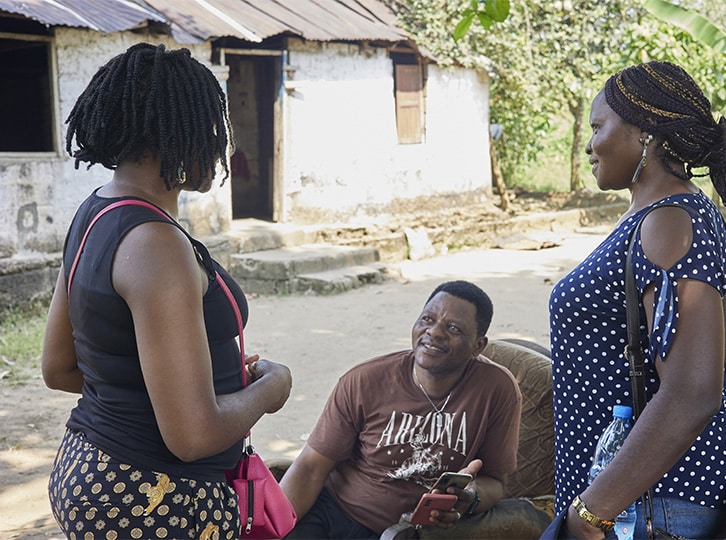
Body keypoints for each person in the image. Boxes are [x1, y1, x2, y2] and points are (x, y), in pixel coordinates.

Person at [41, 43, 292, 538]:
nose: (221, 144)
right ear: (176, 133)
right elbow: (192, 435)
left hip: (92, 465)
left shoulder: (97, 212)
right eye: (212, 127)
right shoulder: (157, 245)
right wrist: (269, 389)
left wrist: (183, 382)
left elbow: (60, 367)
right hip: (154, 497)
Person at [548, 61, 726, 539]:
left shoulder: (670, 222)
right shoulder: (658, 216)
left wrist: (591, 513)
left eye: (598, 126)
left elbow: (691, 391)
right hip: (633, 503)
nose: (588, 144)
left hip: (648, 509)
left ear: (644, 131)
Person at [279, 280, 522, 539]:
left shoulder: (496, 389)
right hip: (334, 515)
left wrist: (468, 498)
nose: (434, 332)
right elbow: (310, 468)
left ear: (478, 346)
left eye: (453, 328)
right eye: (427, 319)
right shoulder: (364, 381)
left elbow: (495, 483)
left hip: (412, 533)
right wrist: (272, 529)